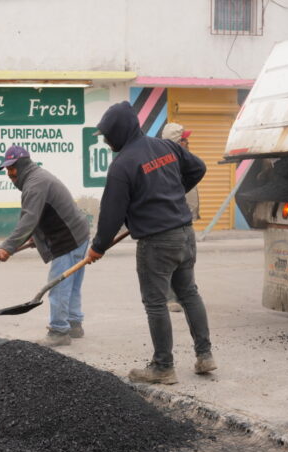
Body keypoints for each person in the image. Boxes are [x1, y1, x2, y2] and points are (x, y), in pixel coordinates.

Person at [87, 102, 217, 383]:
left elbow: (112, 214)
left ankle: (162, 367)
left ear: (120, 132)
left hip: (156, 241)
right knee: (189, 293)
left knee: (156, 303)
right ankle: (205, 356)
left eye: (108, 135)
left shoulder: (122, 165)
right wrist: (173, 194)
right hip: (184, 232)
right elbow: (198, 168)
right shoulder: (164, 147)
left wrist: (98, 246)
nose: (107, 141)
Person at [0, 145, 90, 347]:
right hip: (78, 234)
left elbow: (29, 219)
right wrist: (35, 239)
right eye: (7, 170)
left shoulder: (35, 184)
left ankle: (59, 331)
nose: (10, 175)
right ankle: (74, 323)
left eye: (12, 169)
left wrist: (8, 246)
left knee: (58, 286)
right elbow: (42, 214)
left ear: (21, 165)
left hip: (68, 239)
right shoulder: (36, 178)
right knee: (71, 284)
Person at [160, 122, 200, 313]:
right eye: (185, 139)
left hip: (185, 219)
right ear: (177, 142)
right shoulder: (167, 163)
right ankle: (169, 298)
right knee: (170, 259)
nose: (188, 142)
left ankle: (185, 293)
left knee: (187, 258)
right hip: (171, 220)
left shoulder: (184, 159)